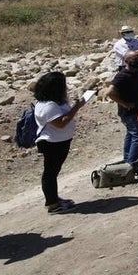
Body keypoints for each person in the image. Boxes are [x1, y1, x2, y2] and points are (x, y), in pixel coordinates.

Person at [33, 71, 86, 213]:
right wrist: (77, 107)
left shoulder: (55, 101)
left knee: (53, 172)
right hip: (52, 143)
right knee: (50, 173)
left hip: (59, 141)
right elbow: (61, 123)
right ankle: (52, 204)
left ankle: (54, 198)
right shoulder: (48, 106)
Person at [107, 50, 138, 169]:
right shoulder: (122, 76)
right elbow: (110, 93)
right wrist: (124, 104)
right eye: (134, 59)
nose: (137, 61)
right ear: (126, 61)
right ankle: (132, 164)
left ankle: (128, 160)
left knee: (131, 134)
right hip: (128, 111)